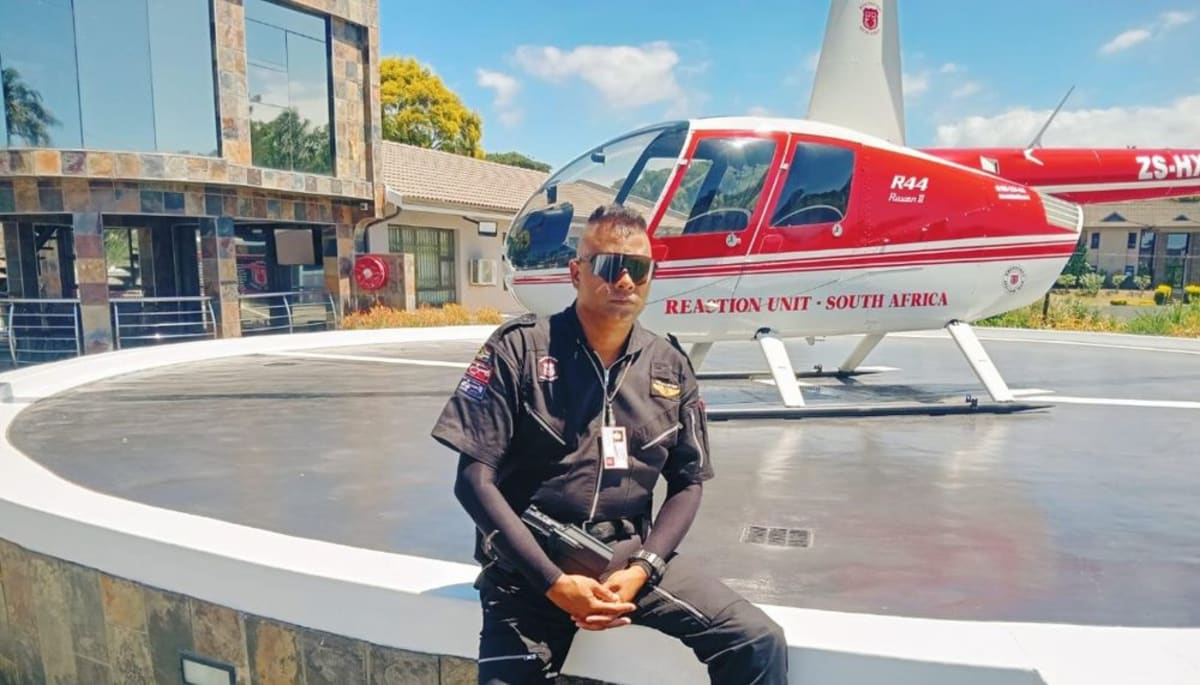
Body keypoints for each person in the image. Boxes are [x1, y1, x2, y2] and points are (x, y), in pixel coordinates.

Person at [431, 204, 788, 684]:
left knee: (755, 641)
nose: (624, 280)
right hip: (528, 572)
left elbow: (688, 481)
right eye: (608, 265)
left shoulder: (669, 365)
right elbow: (473, 480)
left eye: (638, 269)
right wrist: (554, 584)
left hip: (626, 563)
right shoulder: (518, 349)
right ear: (577, 272)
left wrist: (643, 567)